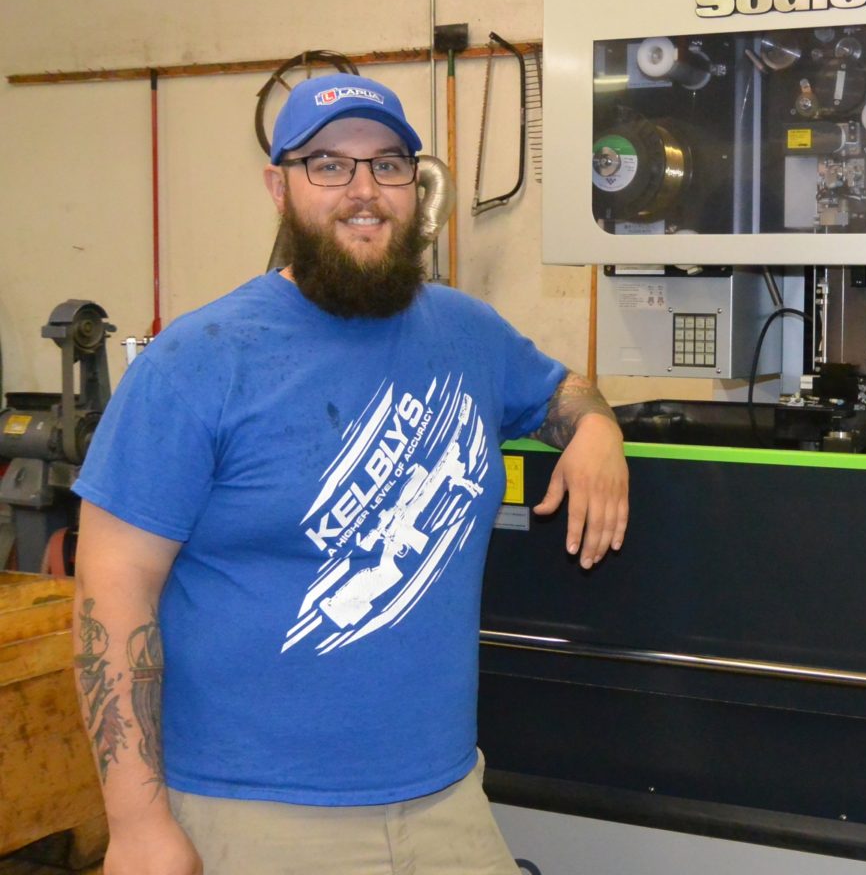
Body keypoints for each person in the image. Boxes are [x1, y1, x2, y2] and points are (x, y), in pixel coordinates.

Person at [70, 72, 629, 875]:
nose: (363, 189)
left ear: (416, 184)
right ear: (280, 186)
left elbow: (560, 391)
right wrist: (135, 824)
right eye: (328, 164)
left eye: (388, 164)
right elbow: (111, 589)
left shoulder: (465, 332)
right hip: (251, 812)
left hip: (446, 801)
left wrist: (597, 428)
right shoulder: (198, 360)